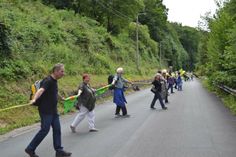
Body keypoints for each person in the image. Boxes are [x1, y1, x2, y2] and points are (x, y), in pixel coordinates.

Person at [25, 63, 72, 157]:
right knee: (44, 130)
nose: (63, 73)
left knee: (57, 129)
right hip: (46, 111)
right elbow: (41, 90)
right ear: (56, 71)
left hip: (53, 111)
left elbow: (54, 91)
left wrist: (60, 98)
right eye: (62, 71)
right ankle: (30, 148)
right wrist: (34, 99)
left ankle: (59, 151)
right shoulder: (48, 80)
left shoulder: (54, 81)